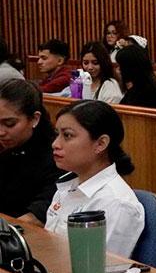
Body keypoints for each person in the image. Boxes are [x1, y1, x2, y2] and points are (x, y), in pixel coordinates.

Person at [45, 100, 145, 257]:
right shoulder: (65, 188)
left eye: (68, 135)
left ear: (100, 144)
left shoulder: (116, 203)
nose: (55, 144)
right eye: (57, 134)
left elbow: (96, 271)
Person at [0, 79, 61, 223]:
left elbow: (42, 211)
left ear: (34, 119)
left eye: (10, 124)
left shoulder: (56, 154)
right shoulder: (6, 149)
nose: (1, 132)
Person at [116, 45, 156, 109]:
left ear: (130, 68)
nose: (118, 71)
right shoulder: (138, 88)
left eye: (121, 67)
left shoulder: (149, 94)